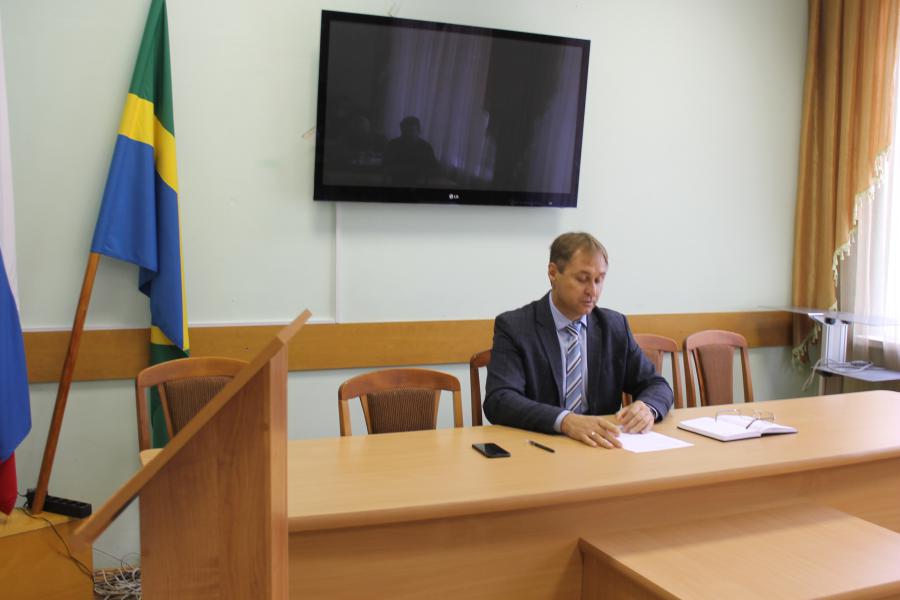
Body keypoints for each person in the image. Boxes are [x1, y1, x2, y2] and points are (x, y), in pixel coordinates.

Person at [484, 232, 674, 448]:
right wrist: (565, 421)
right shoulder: (516, 326)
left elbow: (657, 385)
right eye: (582, 279)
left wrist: (647, 407)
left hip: (602, 448)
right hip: (540, 448)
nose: (592, 291)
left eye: (599, 280)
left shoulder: (614, 326)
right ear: (553, 273)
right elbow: (500, 399)